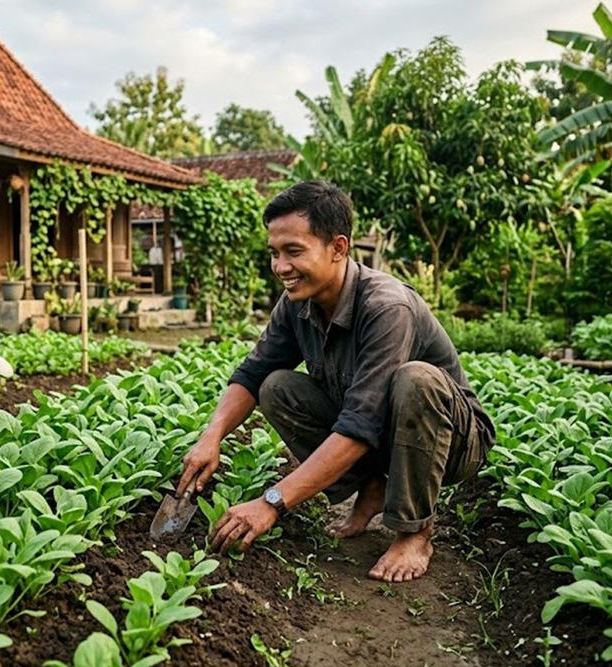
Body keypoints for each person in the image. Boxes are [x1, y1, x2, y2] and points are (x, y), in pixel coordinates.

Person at [176, 180, 494, 582]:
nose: (280, 267)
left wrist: (272, 502)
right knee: (277, 387)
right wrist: (212, 436)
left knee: (417, 380)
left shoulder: (386, 306)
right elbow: (252, 375)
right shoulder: (297, 302)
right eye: (274, 253)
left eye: (293, 251)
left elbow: (361, 424)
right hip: (385, 432)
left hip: (452, 443)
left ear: (338, 248)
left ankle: (415, 531)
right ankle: (373, 486)